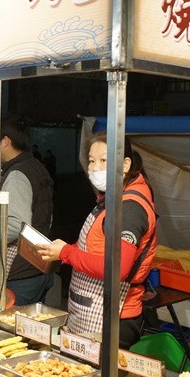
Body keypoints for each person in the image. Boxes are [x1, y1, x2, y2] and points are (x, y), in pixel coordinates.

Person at [36, 132, 157, 349]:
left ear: (125, 164)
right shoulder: (112, 197)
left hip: (113, 315)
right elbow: (96, 245)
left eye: (104, 160)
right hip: (91, 308)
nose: (95, 168)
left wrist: (66, 253)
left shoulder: (129, 208)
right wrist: (62, 251)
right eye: (91, 161)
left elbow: (117, 268)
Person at [0, 116, 54, 305]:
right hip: (37, 268)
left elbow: (15, 226)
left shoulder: (18, 174)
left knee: (7, 322)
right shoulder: (36, 166)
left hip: (19, 273)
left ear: (5, 141)